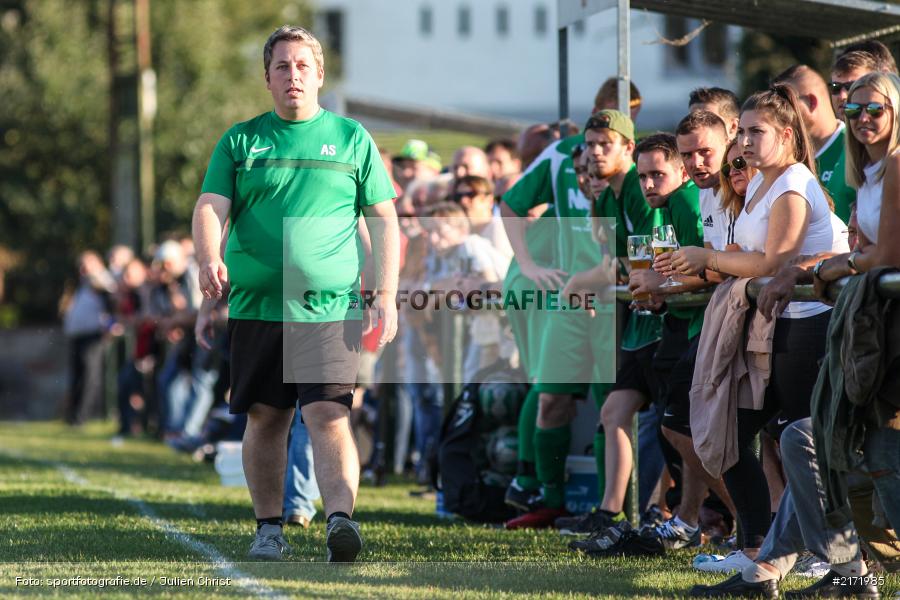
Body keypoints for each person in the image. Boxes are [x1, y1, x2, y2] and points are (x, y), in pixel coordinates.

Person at [191, 25, 399, 563]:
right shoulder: (241, 139)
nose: (293, 76)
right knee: (266, 417)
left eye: (303, 66)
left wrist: (386, 292)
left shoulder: (353, 139)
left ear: (320, 75)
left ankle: (340, 523)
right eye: (282, 67)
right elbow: (211, 206)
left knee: (328, 414)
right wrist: (207, 259)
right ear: (267, 78)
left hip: (327, 307)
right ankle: (269, 528)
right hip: (258, 306)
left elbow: (384, 220)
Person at [693, 71, 900, 600]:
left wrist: (828, 266)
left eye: (874, 109)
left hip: (861, 330)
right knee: (805, 440)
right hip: (852, 325)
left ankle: (838, 569)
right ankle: (786, 569)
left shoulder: (869, 171)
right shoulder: (868, 172)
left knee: (851, 451)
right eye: (852, 112)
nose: (862, 121)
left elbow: (873, 255)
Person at [671, 83, 849, 565]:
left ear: (787, 134)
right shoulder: (763, 182)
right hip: (771, 326)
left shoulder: (792, 182)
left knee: (803, 445)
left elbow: (774, 262)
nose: (745, 141)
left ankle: (837, 562)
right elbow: (753, 258)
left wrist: (710, 257)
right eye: (743, 132)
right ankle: (759, 550)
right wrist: (723, 260)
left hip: (807, 326)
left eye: (757, 132)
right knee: (731, 430)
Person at [774, 64, 856, 223]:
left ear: (811, 102)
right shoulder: (789, 158)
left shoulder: (855, 148)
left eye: (785, 105)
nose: (776, 114)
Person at [62, 251, 115, 425]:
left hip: (93, 335)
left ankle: (82, 416)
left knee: (89, 376)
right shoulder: (83, 284)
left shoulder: (103, 281)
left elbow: (112, 304)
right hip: (79, 335)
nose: (83, 269)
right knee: (77, 375)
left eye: (87, 264)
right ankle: (74, 415)